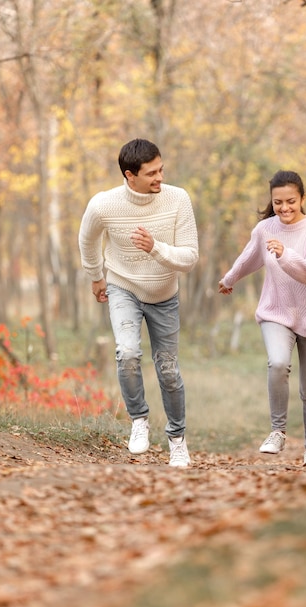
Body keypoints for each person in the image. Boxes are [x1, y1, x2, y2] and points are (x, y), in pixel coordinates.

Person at [79, 138, 198, 467]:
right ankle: (139, 421)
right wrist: (95, 276)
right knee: (127, 352)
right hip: (123, 287)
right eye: (151, 173)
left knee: (169, 371)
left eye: (161, 169)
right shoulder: (104, 205)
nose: (160, 177)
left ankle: (177, 440)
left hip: (164, 296)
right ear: (130, 176)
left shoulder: (178, 199)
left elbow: (189, 258)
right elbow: (86, 238)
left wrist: (156, 248)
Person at [218, 170, 306, 469]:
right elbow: (249, 257)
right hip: (276, 311)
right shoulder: (265, 228)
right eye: (278, 202)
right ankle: (278, 431)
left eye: (291, 201)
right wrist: (229, 279)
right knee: (278, 362)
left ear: (303, 198)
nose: (284, 208)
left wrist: (285, 254)